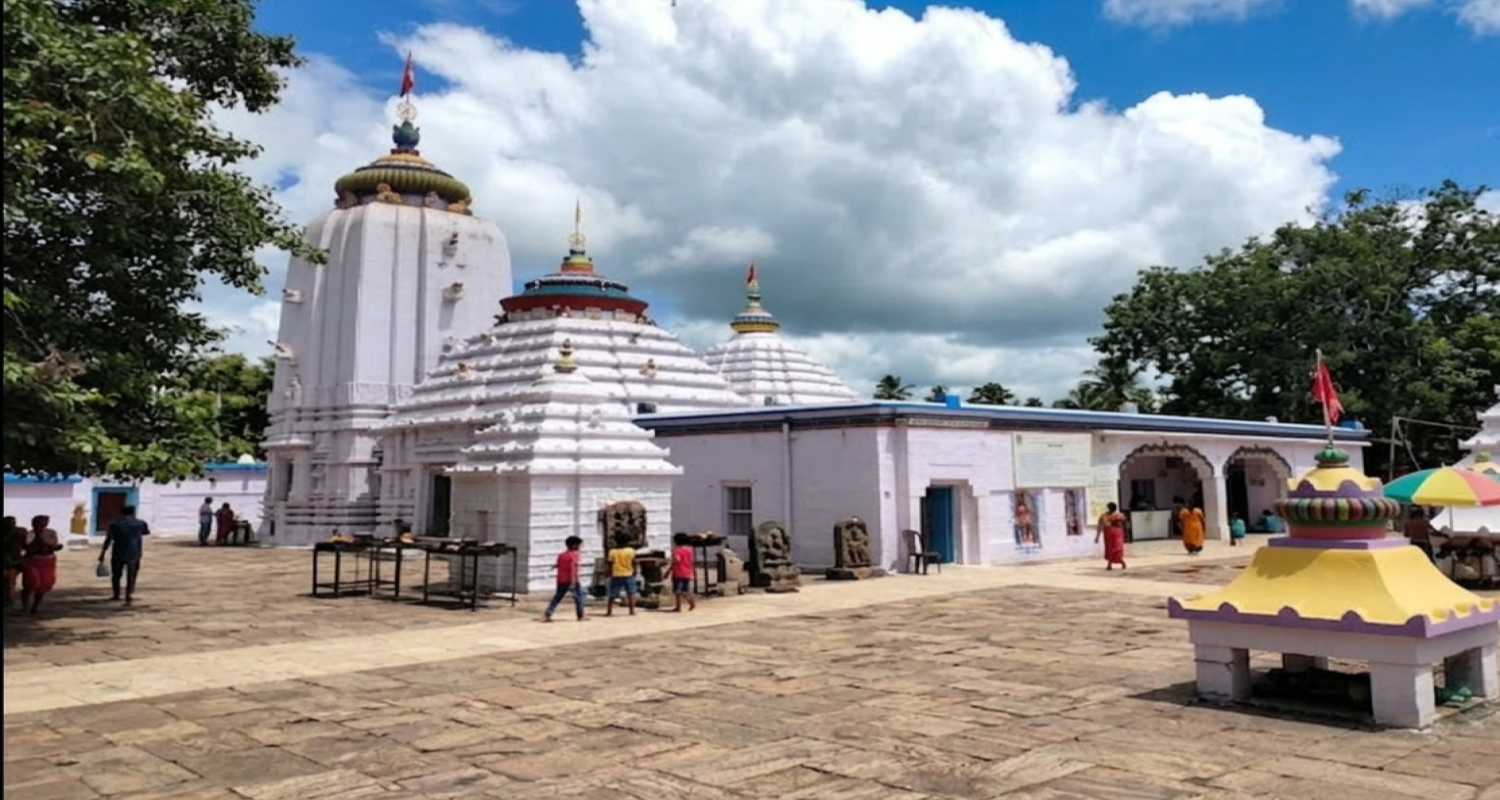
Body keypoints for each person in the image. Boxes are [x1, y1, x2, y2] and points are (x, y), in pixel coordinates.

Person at [98, 504, 150, 605]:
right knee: (131, 575)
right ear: (133, 512)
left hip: (118, 551)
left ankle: (116, 595)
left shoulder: (115, 524)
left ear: (121, 513)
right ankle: (128, 596)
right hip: (134, 552)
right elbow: (146, 532)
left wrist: (103, 553)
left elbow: (108, 539)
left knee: (116, 575)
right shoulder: (140, 523)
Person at [19, 515, 63, 614]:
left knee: (43, 586)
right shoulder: (30, 534)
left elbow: (54, 545)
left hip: (47, 562)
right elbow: (27, 546)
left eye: (43, 523)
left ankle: (35, 606)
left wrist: (49, 547)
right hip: (32, 561)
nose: (41, 525)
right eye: (39, 523)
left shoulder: (51, 533)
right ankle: (25, 605)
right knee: (30, 583)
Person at [542, 536, 587, 622]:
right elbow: (572, 568)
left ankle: (548, 614)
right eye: (578, 545)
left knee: (557, 597)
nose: (579, 547)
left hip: (561, 580)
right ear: (574, 545)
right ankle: (580, 615)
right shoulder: (574, 555)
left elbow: (559, 565)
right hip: (572, 580)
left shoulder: (561, 555)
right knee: (579, 597)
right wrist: (573, 581)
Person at [605, 532, 638, 617]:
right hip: (628, 574)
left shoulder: (612, 552)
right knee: (631, 593)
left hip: (616, 574)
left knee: (612, 594)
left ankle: (609, 611)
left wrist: (608, 572)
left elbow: (610, 564)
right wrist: (635, 571)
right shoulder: (631, 551)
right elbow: (634, 562)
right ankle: (632, 611)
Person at [669, 533, 697, 612]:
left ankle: (679, 607)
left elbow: (676, 560)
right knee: (685, 590)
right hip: (687, 572)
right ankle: (691, 602)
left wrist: (668, 571)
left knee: (678, 591)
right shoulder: (690, 549)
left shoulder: (677, 550)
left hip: (678, 572)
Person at [1095, 502, 1128, 570]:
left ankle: (1121, 562)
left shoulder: (1118, 515)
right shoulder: (1105, 516)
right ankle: (1111, 564)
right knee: (1110, 549)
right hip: (1110, 534)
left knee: (1116, 549)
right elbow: (1100, 526)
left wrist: (1097, 537)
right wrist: (1097, 537)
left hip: (1115, 534)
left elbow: (1124, 524)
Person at [2, 516, 21, 610]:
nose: (13, 525)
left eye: (13, 523)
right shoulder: (14, 535)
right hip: (8, 561)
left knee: (10, 582)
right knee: (9, 582)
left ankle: (9, 600)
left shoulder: (16, 535)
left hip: (12, 562)